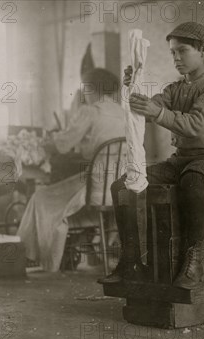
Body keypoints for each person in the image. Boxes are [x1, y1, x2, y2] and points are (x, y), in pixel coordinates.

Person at [99, 22, 204, 288]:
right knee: (122, 186)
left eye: (182, 51)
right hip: (179, 159)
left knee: (192, 184)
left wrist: (156, 112)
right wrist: (131, 87)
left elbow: (195, 125)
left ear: (203, 50)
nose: (176, 58)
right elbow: (145, 111)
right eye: (172, 53)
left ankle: (194, 260)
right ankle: (131, 261)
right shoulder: (174, 89)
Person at [17, 68, 125, 271]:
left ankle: (33, 255)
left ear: (92, 88)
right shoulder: (123, 113)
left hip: (96, 187)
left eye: (84, 87)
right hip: (117, 189)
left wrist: (48, 141)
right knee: (61, 191)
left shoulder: (90, 111)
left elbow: (63, 145)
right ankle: (75, 246)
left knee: (40, 197)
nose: (83, 92)